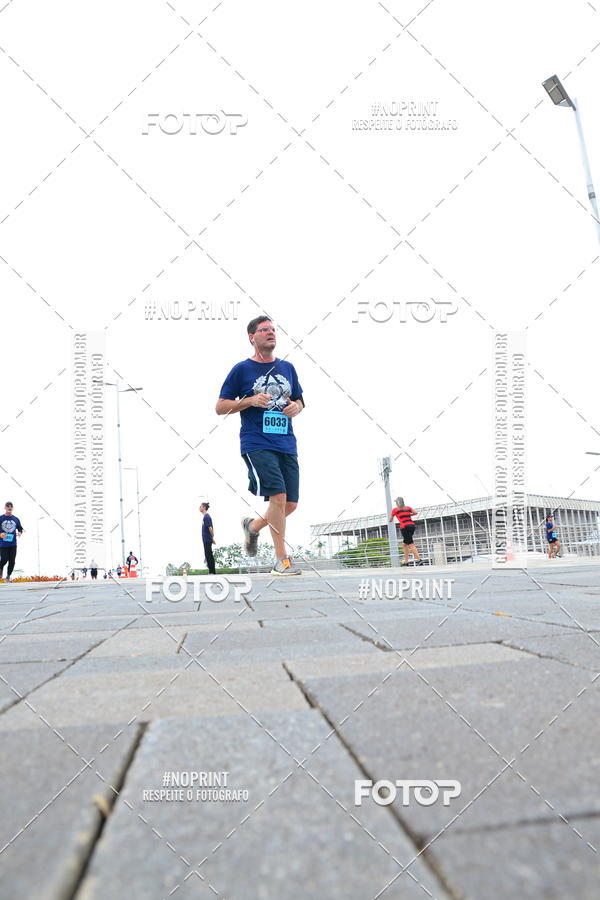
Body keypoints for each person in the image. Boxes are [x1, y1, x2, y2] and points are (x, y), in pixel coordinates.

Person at [216, 315, 305, 576]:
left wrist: (295, 408)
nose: (271, 333)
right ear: (252, 337)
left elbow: (300, 401)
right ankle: (282, 561)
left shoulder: (288, 368)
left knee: (289, 505)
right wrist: (249, 401)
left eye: (273, 329)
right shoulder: (241, 370)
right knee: (277, 497)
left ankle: (253, 527)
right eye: (264, 329)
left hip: (286, 442)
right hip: (257, 442)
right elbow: (221, 407)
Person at [389, 496, 423, 566]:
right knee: (405, 544)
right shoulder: (407, 508)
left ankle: (419, 560)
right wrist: (409, 514)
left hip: (404, 527)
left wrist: (392, 516)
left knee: (411, 544)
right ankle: (406, 562)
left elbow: (390, 520)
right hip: (412, 526)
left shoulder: (395, 510)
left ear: (397, 503)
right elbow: (415, 512)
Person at [0, 502, 24, 583]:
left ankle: (8, 577)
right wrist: (0, 534)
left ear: (13, 508)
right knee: (4, 559)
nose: (9, 508)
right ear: (5, 507)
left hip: (13, 544)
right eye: (8, 506)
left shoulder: (16, 519)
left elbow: (20, 528)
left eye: (11, 507)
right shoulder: (1, 518)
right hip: (3, 544)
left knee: (12, 561)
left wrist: (20, 533)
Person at [199, 502, 216, 575]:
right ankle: (211, 570)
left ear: (204, 507)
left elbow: (210, 528)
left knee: (209, 555)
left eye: (200, 506)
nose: (199, 508)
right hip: (206, 539)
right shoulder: (205, 517)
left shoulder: (207, 517)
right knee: (207, 554)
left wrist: (212, 538)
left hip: (207, 539)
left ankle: (212, 571)